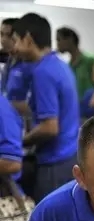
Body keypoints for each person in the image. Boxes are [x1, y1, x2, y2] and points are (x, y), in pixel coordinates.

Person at [13, 13, 79, 203]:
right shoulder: (59, 65)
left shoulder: (43, 72)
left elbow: (50, 127)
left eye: (16, 41)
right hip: (69, 156)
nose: (15, 48)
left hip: (54, 163)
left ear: (28, 39)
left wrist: (21, 142)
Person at [56, 27, 94, 101]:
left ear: (70, 39)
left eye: (59, 40)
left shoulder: (90, 61)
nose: (57, 44)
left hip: (91, 108)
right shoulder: (67, 67)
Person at [1, 17, 31, 116]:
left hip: (22, 125)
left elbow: (33, 107)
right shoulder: (10, 61)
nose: (3, 40)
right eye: (1, 34)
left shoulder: (28, 65)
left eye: (9, 35)